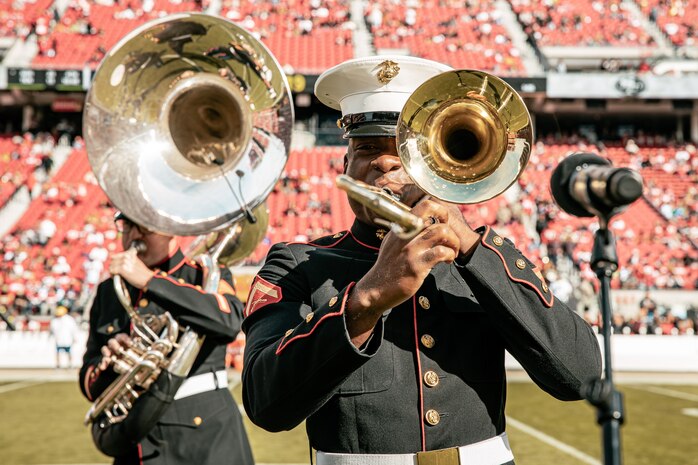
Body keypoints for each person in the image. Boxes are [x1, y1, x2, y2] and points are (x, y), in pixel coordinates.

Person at [241, 56, 602, 465]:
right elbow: (265, 404)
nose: (384, 162)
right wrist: (366, 299)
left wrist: (470, 245)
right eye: (366, 149)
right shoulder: (296, 264)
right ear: (345, 166)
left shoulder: (479, 260)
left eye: (402, 149)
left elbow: (581, 376)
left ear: (441, 167)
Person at [78, 212, 253, 465]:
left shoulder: (203, 274)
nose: (133, 236)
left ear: (169, 227)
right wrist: (107, 366)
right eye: (127, 226)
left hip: (204, 438)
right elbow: (88, 372)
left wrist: (150, 281)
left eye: (144, 226)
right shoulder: (109, 290)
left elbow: (229, 321)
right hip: (132, 441)